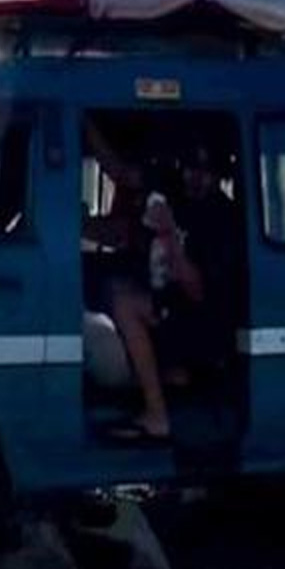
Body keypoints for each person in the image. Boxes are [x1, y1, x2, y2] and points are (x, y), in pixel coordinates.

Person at [107, 139, 238, 441]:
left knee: (124, 302)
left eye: (206, 171)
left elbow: (197, 290)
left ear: (219, 175)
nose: (196, 177)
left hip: (203, 319)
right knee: (116, 285)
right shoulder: (183, 202)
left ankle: (157, 413)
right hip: (174, 304)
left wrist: (168, 234)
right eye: (192, 168)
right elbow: (122, 174)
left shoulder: (222, 218)